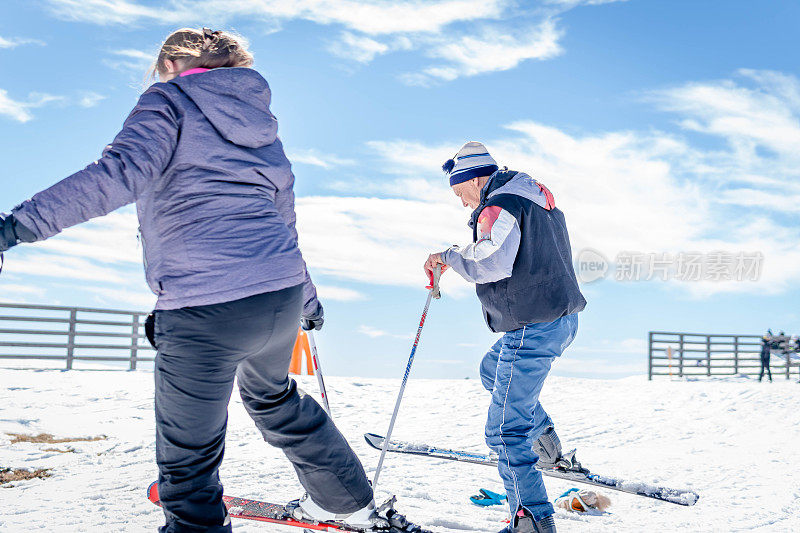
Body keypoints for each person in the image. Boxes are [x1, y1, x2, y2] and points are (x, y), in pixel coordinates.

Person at [0, 28, 394, 533]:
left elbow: (119, 172)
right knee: (275, 399)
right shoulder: (262, 126)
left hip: (207, 304)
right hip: (277, 296)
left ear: (170, 64)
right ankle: (347, 501)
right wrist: (307, 299)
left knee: (188, 461)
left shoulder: (168, 100)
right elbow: (282, 218)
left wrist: (14, 226)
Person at [424, 142, 586, 533]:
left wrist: (447, 256)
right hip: (558, 320)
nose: (462, 203)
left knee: (503, 433)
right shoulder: (532, 197)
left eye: (459, 192)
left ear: (473, 179)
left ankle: (531, 520)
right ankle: (544, 442)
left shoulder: (500, 204)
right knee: (490, 370)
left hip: (531, 327)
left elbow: (491, 263)